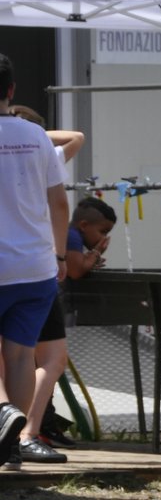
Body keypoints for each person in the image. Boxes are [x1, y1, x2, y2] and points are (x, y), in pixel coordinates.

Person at [0, 54, 70, 470]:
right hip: (34, 267)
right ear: (10, 91)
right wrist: (60, 254)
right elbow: (59, 204)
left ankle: (4, 412)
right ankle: (11, 449)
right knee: (22, 356)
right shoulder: (36, 136)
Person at [15, 196, 116, 465]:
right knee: (48, 361)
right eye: (103, 232)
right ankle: (28, 432)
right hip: (40, 293)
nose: (104, 238)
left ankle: (27, 429)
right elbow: (74, 270)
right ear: (84, 225)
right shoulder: (70, 235)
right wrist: (94, 254)